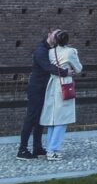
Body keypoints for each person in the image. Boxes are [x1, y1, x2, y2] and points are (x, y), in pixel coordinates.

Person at [17, 29, 72, 160]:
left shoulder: (53, 50)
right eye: (55, 34)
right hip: (36, 88)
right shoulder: (41, 50)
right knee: (31, 118)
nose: (57, 37)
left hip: (46, 88)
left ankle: (37, 148)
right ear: (49, 35)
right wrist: (65, 72)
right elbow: (47, 67)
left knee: (41, 119)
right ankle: (22, 150)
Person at [40, 30, 83, 161]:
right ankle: (53, 150)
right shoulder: (70, 52)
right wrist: (75, 53)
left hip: (52, 84)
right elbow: (79, 68)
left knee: (53, 119)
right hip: (64, 85)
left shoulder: (50, 51)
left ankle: (50, 148)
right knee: (62, 119)